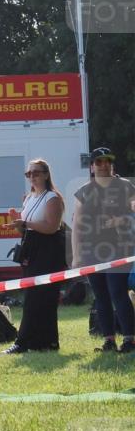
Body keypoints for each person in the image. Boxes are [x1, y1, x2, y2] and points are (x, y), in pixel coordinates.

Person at [72, 146, 135, 353]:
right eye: (98, 162)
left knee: (117, 291)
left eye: (107, 161)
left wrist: (121, 219)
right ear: (92, 166)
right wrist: (76, 255)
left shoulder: (125, 186)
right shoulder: (84, 191)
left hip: (119, 250)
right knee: (100, 296)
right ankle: (109, 340)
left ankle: (129, 339)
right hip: (92, 251)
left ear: (112, 164)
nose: (104, 165)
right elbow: (77, 226)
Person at [5, 159, 67, 354]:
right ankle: (42, 342)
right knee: (33, 296)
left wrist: (25, 223)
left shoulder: (52, 197)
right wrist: (18, 224)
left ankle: (24, 342)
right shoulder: (29, 198)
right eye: (29, 174)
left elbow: (51, 227)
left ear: (46, 175)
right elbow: (25, 231)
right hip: (31, 250)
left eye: (36, 173)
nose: (32, 177)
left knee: (43, 297)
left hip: (48, 252)